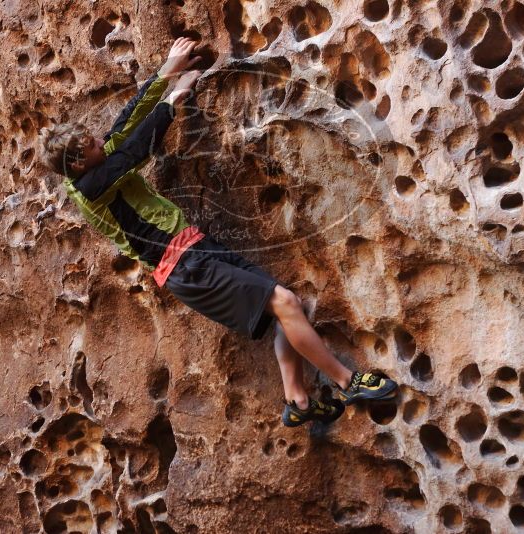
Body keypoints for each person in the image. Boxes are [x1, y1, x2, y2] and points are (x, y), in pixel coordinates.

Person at [39, 37, 398, 427]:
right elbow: (135, 149)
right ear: (76, 164)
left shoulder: (97, 164)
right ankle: (348, 382)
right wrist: (174, 99)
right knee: (286, 304)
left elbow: (127, 122)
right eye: (92, 145)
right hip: (184, 266)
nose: (100, 143)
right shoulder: (93, 189)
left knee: (286, 308)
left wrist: (168, 69)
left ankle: (299, 401)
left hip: (195, 250)